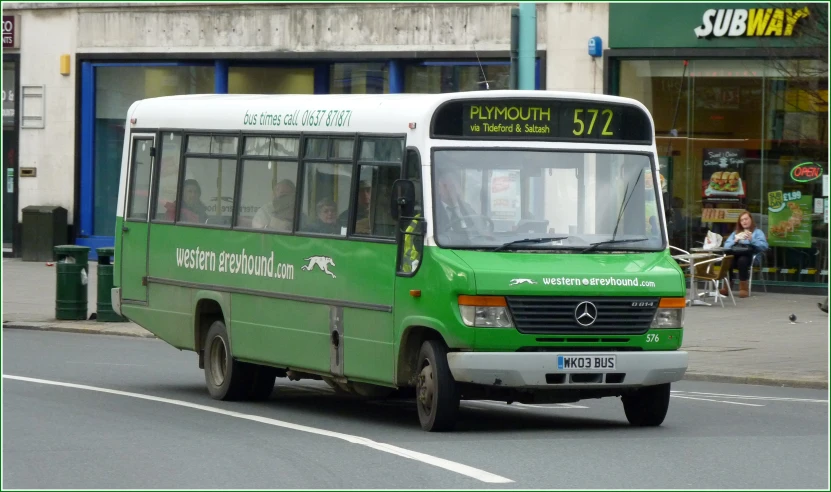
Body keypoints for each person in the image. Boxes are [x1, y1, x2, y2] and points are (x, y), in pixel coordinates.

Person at [720, 210, 768, 298]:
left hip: (751, 257)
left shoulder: (758, 232)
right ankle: (726, 287)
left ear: (751, 220)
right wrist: (735, 240)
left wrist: (751, 239)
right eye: (742, 220)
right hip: (736, 256)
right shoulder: (736, 232)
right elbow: (726, 246)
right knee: (728, 259)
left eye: (746, 219)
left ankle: (743, 288)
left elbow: (764, 246)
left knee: (742, 260)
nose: (744, 222)